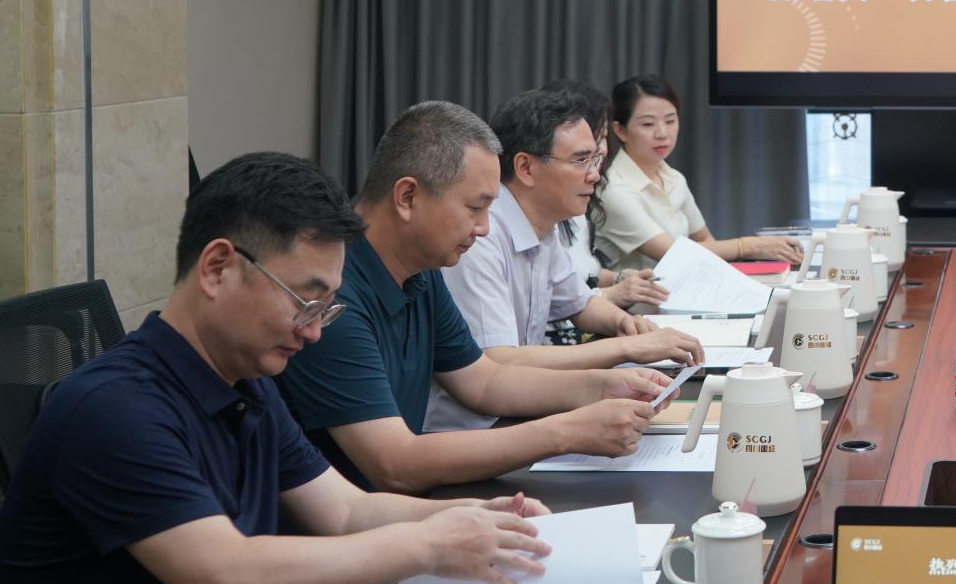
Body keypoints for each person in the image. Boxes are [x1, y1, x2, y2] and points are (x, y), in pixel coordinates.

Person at [0, 153, 556, 584]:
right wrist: (427, 545)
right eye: (305, 301)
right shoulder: (113, 410)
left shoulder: (246, 383)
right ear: (218, 268)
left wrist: (478, 518)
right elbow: (230, 579)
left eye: (326, 309)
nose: (314, 332)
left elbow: (347, 511)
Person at [276, 101, 665, 494]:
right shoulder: (333, 293)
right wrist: (565, 432)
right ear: (407, 197)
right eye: (475, 208)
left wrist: (603, 387)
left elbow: (483, 381)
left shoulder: (421, 268)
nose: (484, 228)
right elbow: (393, 464)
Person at [429, 88, 703, 432]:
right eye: (581, 160)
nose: (595, 175)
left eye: (596, 160)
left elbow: (579, 302)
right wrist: (627, 347)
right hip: (471, 429)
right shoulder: (482, 236)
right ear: (525, 167)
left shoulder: (544, 225)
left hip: (520, 410)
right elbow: (498, 359)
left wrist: (627, 324)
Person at [594, 73, 805, 272]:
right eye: (648, 124)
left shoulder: (674, 178)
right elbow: (674, 253)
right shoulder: (613, 190)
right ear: (620, 130)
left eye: (670, 121)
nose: (662, 133)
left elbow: (705, 240)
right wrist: (749, 246)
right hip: (642, 297)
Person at [544, 79, 670, 312]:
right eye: (595, 136)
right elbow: (552, 302)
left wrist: (620, 279)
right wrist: (613, 294)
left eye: (603, 137)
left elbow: (582, 273)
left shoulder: (577, 200)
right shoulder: (547, 209)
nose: (601, 149)